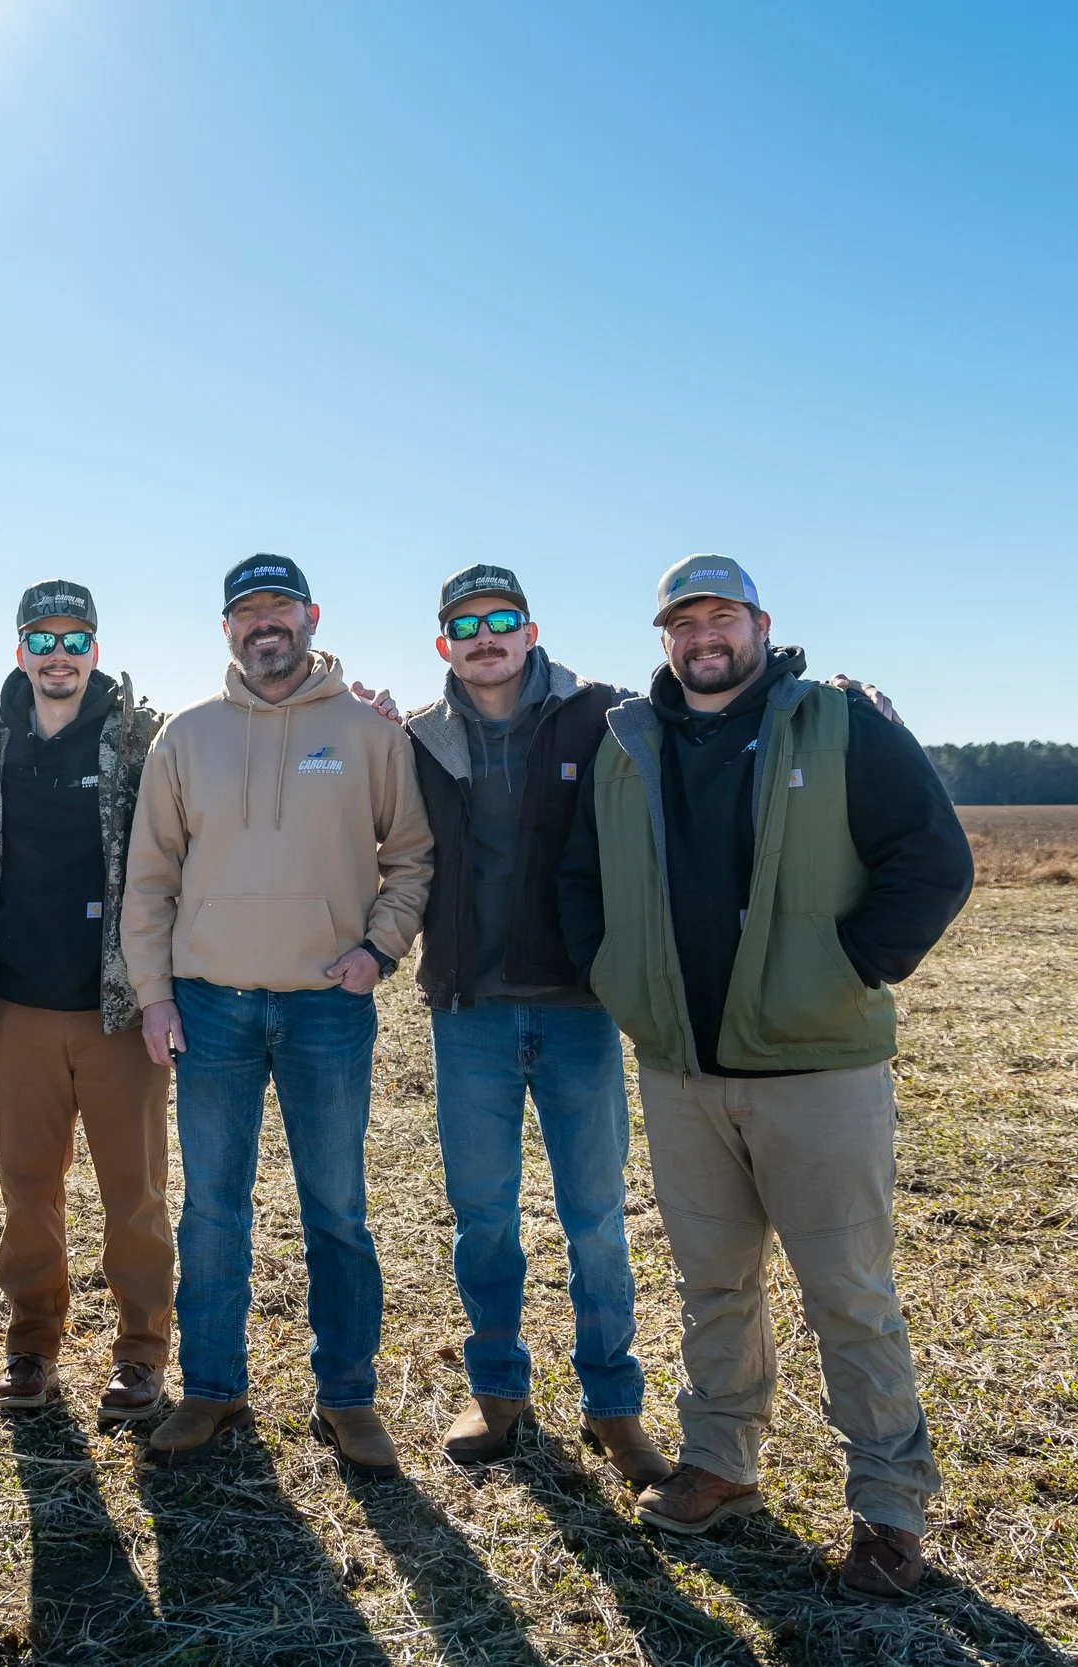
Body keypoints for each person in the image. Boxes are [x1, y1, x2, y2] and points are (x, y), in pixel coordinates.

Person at [556, 555, 972, 1600]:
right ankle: (721, 1462)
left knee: (848, 1290)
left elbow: (932, 857)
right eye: (683, 621)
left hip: (815, 1065)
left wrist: (840, 972)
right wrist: (624, 981)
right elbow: (580, 880)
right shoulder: (626, 743)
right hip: (683, 1067)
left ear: (759, 623)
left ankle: (888, 1507)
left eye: (721, 617)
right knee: (711, 1279)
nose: (703, 636)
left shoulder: (836, 722)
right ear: (665, 638)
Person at [121, 554, 435, 1475]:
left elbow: (410, 857)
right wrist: (154, 993)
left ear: (312, 616)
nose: (266, 625)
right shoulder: (184, 737)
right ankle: (212, 1388)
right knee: (213, 1208)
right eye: (247, 612)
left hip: (326, 1010)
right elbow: (150, 879)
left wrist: (376, 951)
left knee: (336, 1208)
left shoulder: (370, 732)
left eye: (280, 609)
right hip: (211, 1008)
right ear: (227, 629)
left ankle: (349, 1396)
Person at [400, 564, 675, 1485]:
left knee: (595, 1218)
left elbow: (702, 707)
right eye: (466, 624)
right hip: (468, 1011)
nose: (486, 637)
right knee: (483, 1217)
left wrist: (823, 689)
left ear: (530, 627)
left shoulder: (601, 713)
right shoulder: (416, 738)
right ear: (445, 642)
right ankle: (499, 1393)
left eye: (502, 619)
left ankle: (614, 1406)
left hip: (577, 1009)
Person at [0, 581, 173, 1426]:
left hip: (120, 1004)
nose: (58, 654)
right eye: (42, 639)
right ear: (20, 652)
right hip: (17, 1005)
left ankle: (141, 1353)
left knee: (135, 1190)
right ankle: (32, 1343)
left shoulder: (138, 738)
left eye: (74, 638)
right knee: (27, 1187)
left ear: (94, 649)